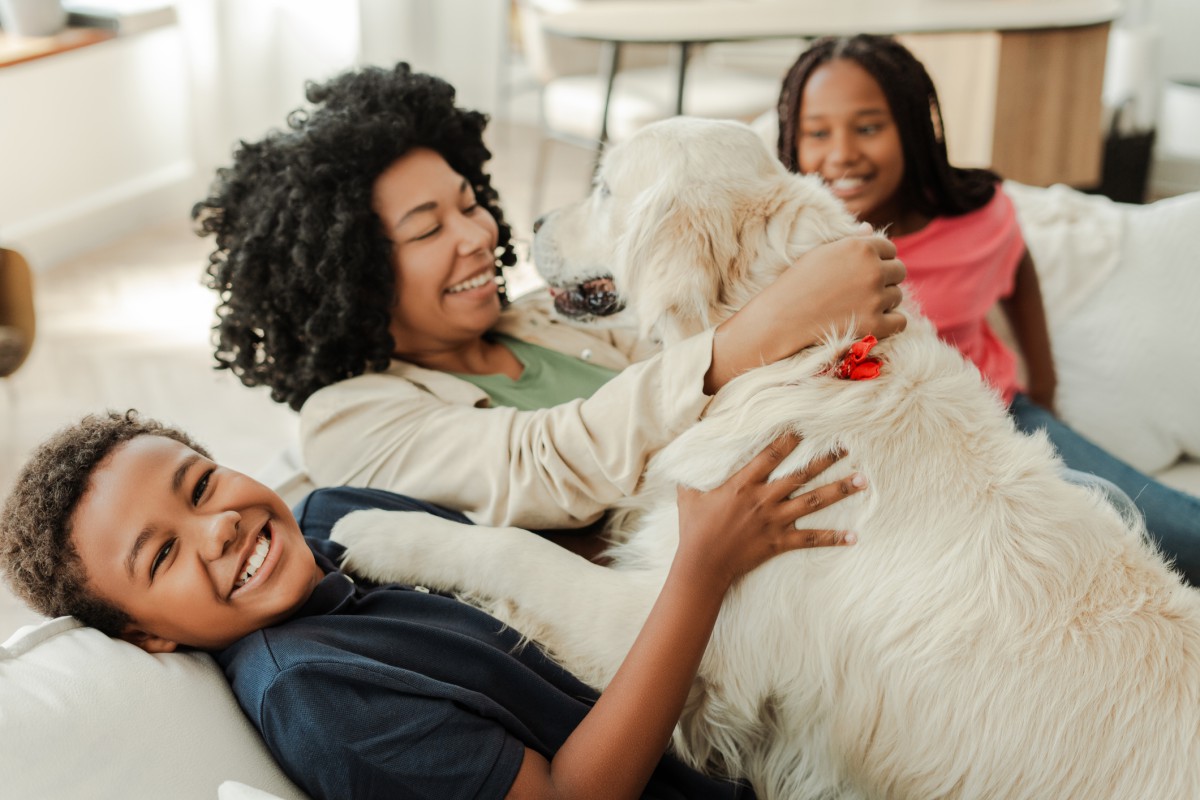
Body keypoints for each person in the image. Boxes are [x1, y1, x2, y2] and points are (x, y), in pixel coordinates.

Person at [0, 410, 867, 799]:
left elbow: (528, 566)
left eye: (200, 484)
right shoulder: (317, 695)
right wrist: (700, 575)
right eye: (163, 556)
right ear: (147, 635)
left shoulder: (333, 514)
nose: (218, 528)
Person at [193, 62, 906, 532]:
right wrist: (759, 333)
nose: (476, 234)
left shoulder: (541, 315)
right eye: (427, 228)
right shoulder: (347, 421)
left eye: (469, 203)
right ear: (348, 275)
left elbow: (716, 335)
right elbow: (548, 461)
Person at [775, 33, 1200, 585]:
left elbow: (1018, 266)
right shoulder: (794, 246)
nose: (841, 153)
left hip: (999, 413)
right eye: (816, 133)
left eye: (868, 127)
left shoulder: (980, 218)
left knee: (1142, 516)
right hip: (889, 447)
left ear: (911, 127)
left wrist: (1043, 389)